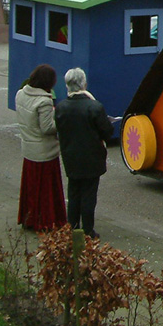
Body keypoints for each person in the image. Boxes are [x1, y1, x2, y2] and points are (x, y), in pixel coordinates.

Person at [54, 68, 112, 239]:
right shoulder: (94, 107)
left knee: (73, 193)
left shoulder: (61, 107)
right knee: (89, 195)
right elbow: (107, 132)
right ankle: (88, 230)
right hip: (92, 157)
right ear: (84, 84)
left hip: (71, 156)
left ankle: (72, 227)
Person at [15, 64, 66, 231]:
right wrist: (61, 120)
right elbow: (47, 128)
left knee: (31, 188)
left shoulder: (20, 94)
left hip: (28, 148)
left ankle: (29, 217)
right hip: (44, 151)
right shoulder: (44, 101)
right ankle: (46, 220)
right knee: (46, 190)